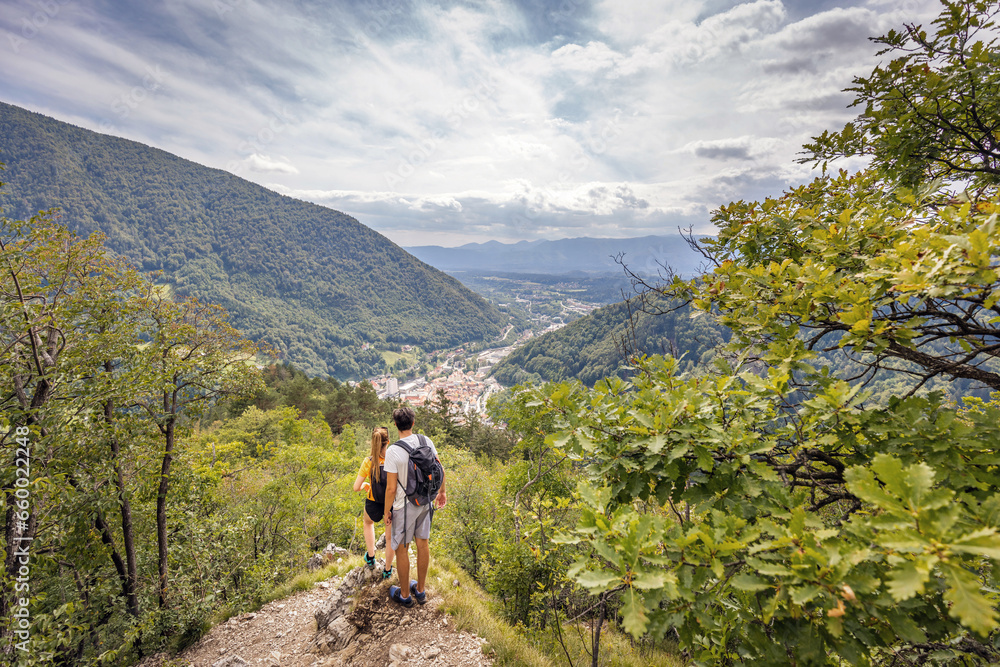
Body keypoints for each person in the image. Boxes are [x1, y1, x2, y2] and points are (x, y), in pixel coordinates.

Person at [383, 406, 446, 607]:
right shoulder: (425, 441)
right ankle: (420, 590)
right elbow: (439, 467)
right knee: (423, 544)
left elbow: (391, 489)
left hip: (404, 506)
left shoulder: (393, 451)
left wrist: (387, 512)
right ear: (413, 423)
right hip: (426, 500)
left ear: (395, 425)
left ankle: (404, 595)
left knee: (402, 549)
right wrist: (442, 492)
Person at [352, 426, 395, 580]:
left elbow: (356, 487)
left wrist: (365, 486)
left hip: (373, 503)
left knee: (368, 523)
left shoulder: (368, 461)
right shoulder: (394, 459)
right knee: (390, 538)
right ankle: (388, 570)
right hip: (391, 505)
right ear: (388, 442)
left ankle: (371, 557)